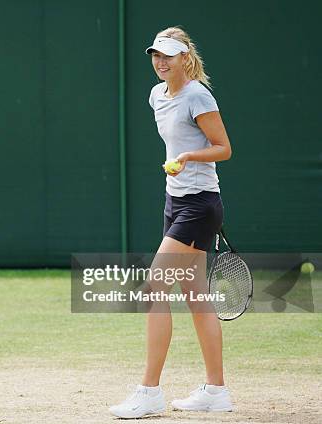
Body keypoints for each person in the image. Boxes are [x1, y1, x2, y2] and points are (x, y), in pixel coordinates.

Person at [109, 27, 233, 418]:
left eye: (168, 55)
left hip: (199, 204)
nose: (160, 62)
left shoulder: (197, 94)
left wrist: (188, 159)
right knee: (195, 297)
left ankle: (149, 392)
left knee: (152, 287)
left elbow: (223, 148)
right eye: (155, 55)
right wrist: (177, 167)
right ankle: (216, 391)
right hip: (175, 201)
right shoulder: (155, 95)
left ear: (184, 57)